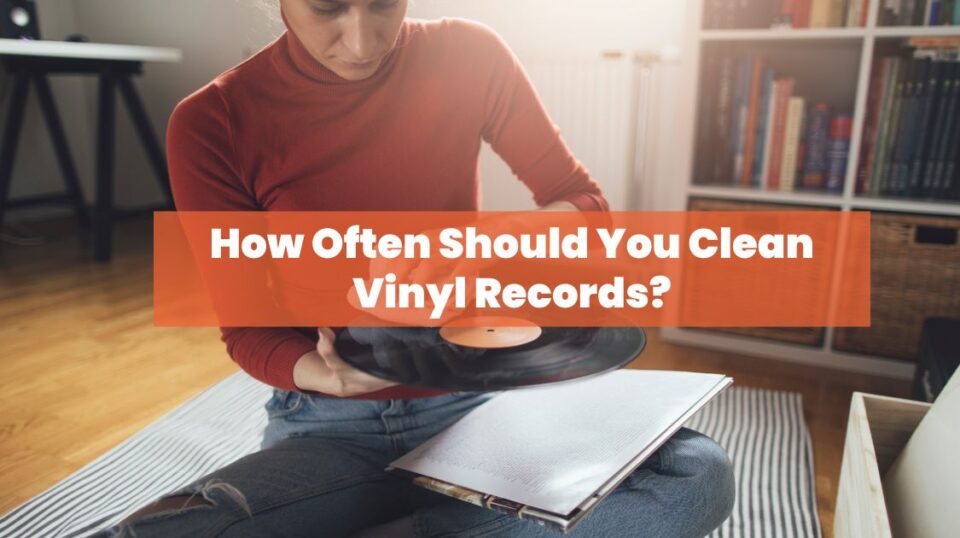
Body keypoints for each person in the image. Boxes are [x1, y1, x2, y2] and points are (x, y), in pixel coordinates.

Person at [101, 0, 735, 536]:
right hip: (329, 426)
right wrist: (323, 375)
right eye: (327, 7)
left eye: (384, 1)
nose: (363, 40)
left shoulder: (470, 54)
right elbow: (248, 332)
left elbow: (583, 203)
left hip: (478, 405)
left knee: (695, 475)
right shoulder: (210, 122)